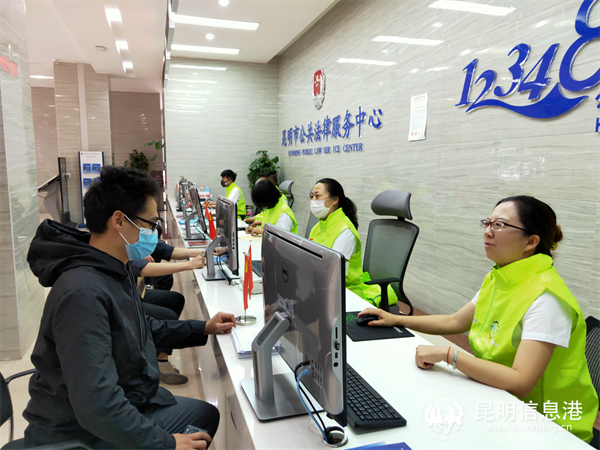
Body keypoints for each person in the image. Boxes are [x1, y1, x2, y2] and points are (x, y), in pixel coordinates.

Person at [25, 166, 236, 450]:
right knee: (201, 419)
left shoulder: (111, 267)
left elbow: (139, 327)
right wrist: (166, 443)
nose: (154, 233)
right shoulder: (83, 292)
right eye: (150, 224)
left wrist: (204, 328)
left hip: (121, 402)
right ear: (119, 221)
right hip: (80, 433)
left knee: (203, 415)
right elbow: (97, 405)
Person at [359, 195, 598, 443]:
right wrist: (395, 319)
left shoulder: (547, 298)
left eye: (499, 225)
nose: (487, 231)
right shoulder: (501, 276)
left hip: (546, 425)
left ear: (531, 241)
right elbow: (455, 322)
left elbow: (521, 382)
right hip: (497, 396)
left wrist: (449, 355)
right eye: (487, 222)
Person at [130, 234, 207, 385]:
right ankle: (159, 360)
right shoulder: (118, 242)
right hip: (125, 297)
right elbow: (141, 268)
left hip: (135, 290)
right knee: (168, 315)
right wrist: (188, 265)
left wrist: (205, 252)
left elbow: (167, 250)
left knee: (176, 300)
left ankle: (160, 354)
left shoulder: (133, 238)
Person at [308, 178, 397, 307]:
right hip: (322, 286)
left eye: (318, 196)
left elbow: (335, 273)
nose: (313, 201)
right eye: (312, 197)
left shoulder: (345, 230)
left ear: (334, 200)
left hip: (345, 292)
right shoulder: (318, 226)